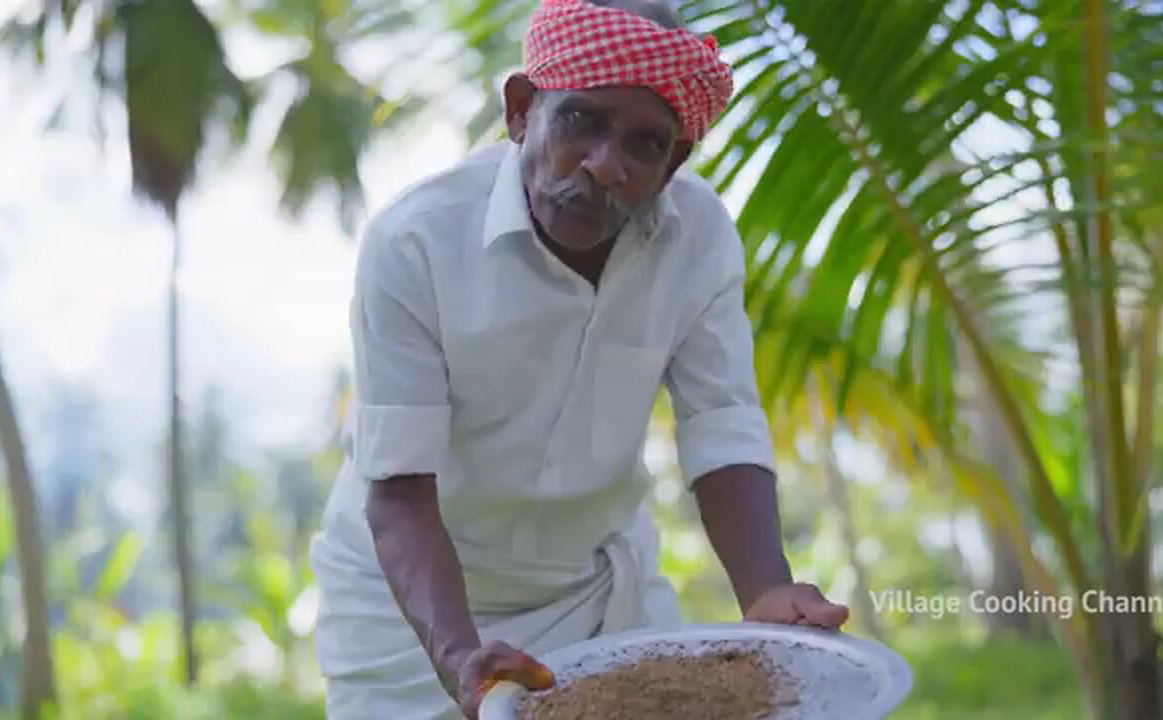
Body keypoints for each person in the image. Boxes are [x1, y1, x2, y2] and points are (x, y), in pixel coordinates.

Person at [308, 1, 849, 717]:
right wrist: (460, 655)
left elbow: (720, 421)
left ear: (674, 162)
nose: (604, 166)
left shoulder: (701, 240)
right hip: (414, 619)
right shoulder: (416, 241)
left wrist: (766, 590)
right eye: (581, 122)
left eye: (645, 145)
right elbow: (400, 486)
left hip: (599, 592)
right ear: (521, 110)